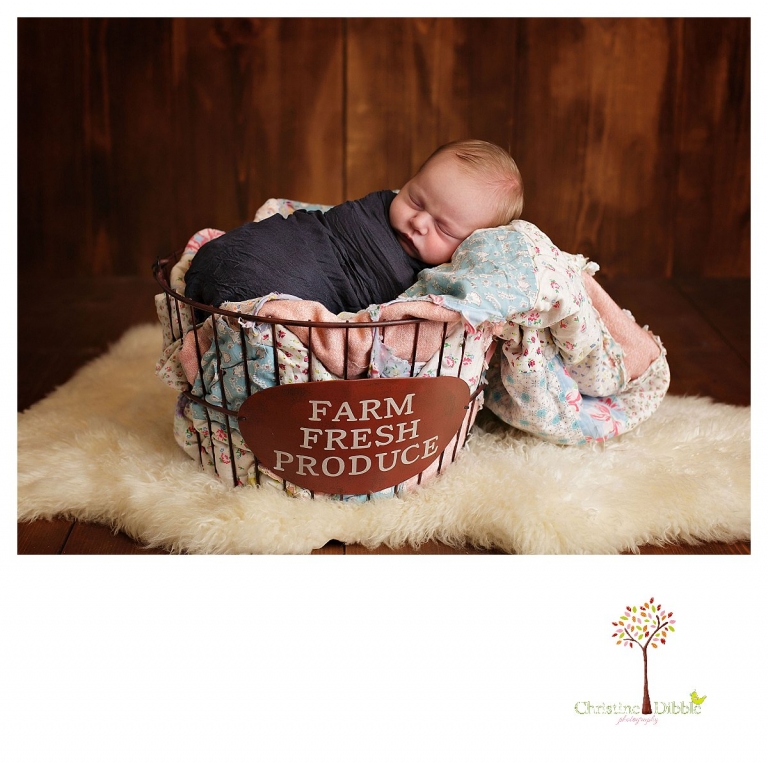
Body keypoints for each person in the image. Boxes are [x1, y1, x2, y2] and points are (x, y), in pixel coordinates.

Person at [183, 139, 524, 314]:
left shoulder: (445, 279)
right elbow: (326, 230)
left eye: (444, 229)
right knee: (255, 255)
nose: (418, 222)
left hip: (283, 293)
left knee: (275, 305)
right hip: (294, 246)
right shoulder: (374, 210)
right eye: (415, 200)